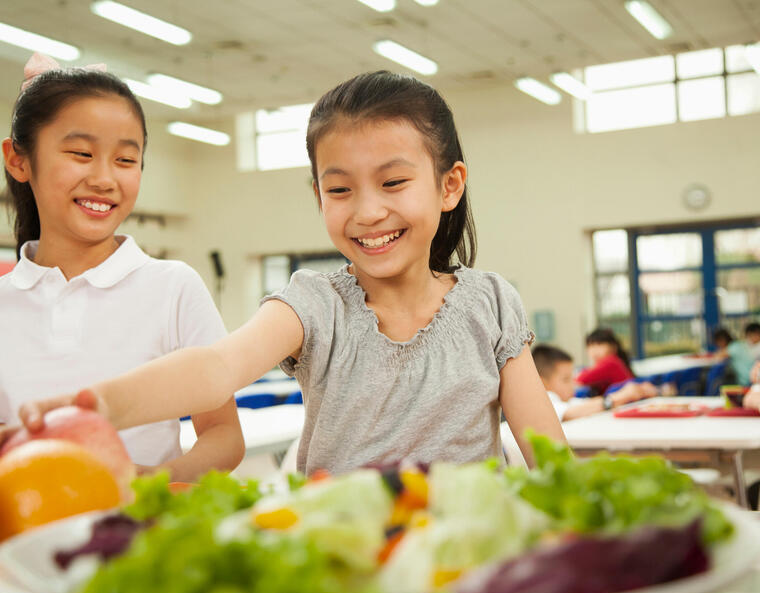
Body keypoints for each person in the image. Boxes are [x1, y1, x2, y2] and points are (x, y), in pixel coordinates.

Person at [2, 71, 565, 474]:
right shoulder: (313, 303)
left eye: (393, 183)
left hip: (470, 564)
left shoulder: (490, 302)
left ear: (449, 185)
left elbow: (547, 450)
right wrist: (100, 404)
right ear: (318, 194)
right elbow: (216, 368)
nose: (368, 211)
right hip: (343, 567)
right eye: (340, 189)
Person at [0, 54, 244, 481]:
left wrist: (150, 484)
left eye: (126, 160)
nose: (104, 178)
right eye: (81, 153)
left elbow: (223, 434)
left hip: (137, 534)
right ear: (19, 160)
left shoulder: (173, 286)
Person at [532, 344, 655, 421]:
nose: (572, 385)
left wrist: (632, 394)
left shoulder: (567, 401)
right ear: (542, 383)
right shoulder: (545, 401)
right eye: (566, 379)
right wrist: (619, 397)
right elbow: (569, 413)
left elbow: (589, 405)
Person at [574, 328, 634, 396]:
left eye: (599, 345)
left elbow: (581, 379)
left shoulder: (610, 362)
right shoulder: (615, 361)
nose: (594, 350)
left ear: (613, 347)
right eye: (590, 346)